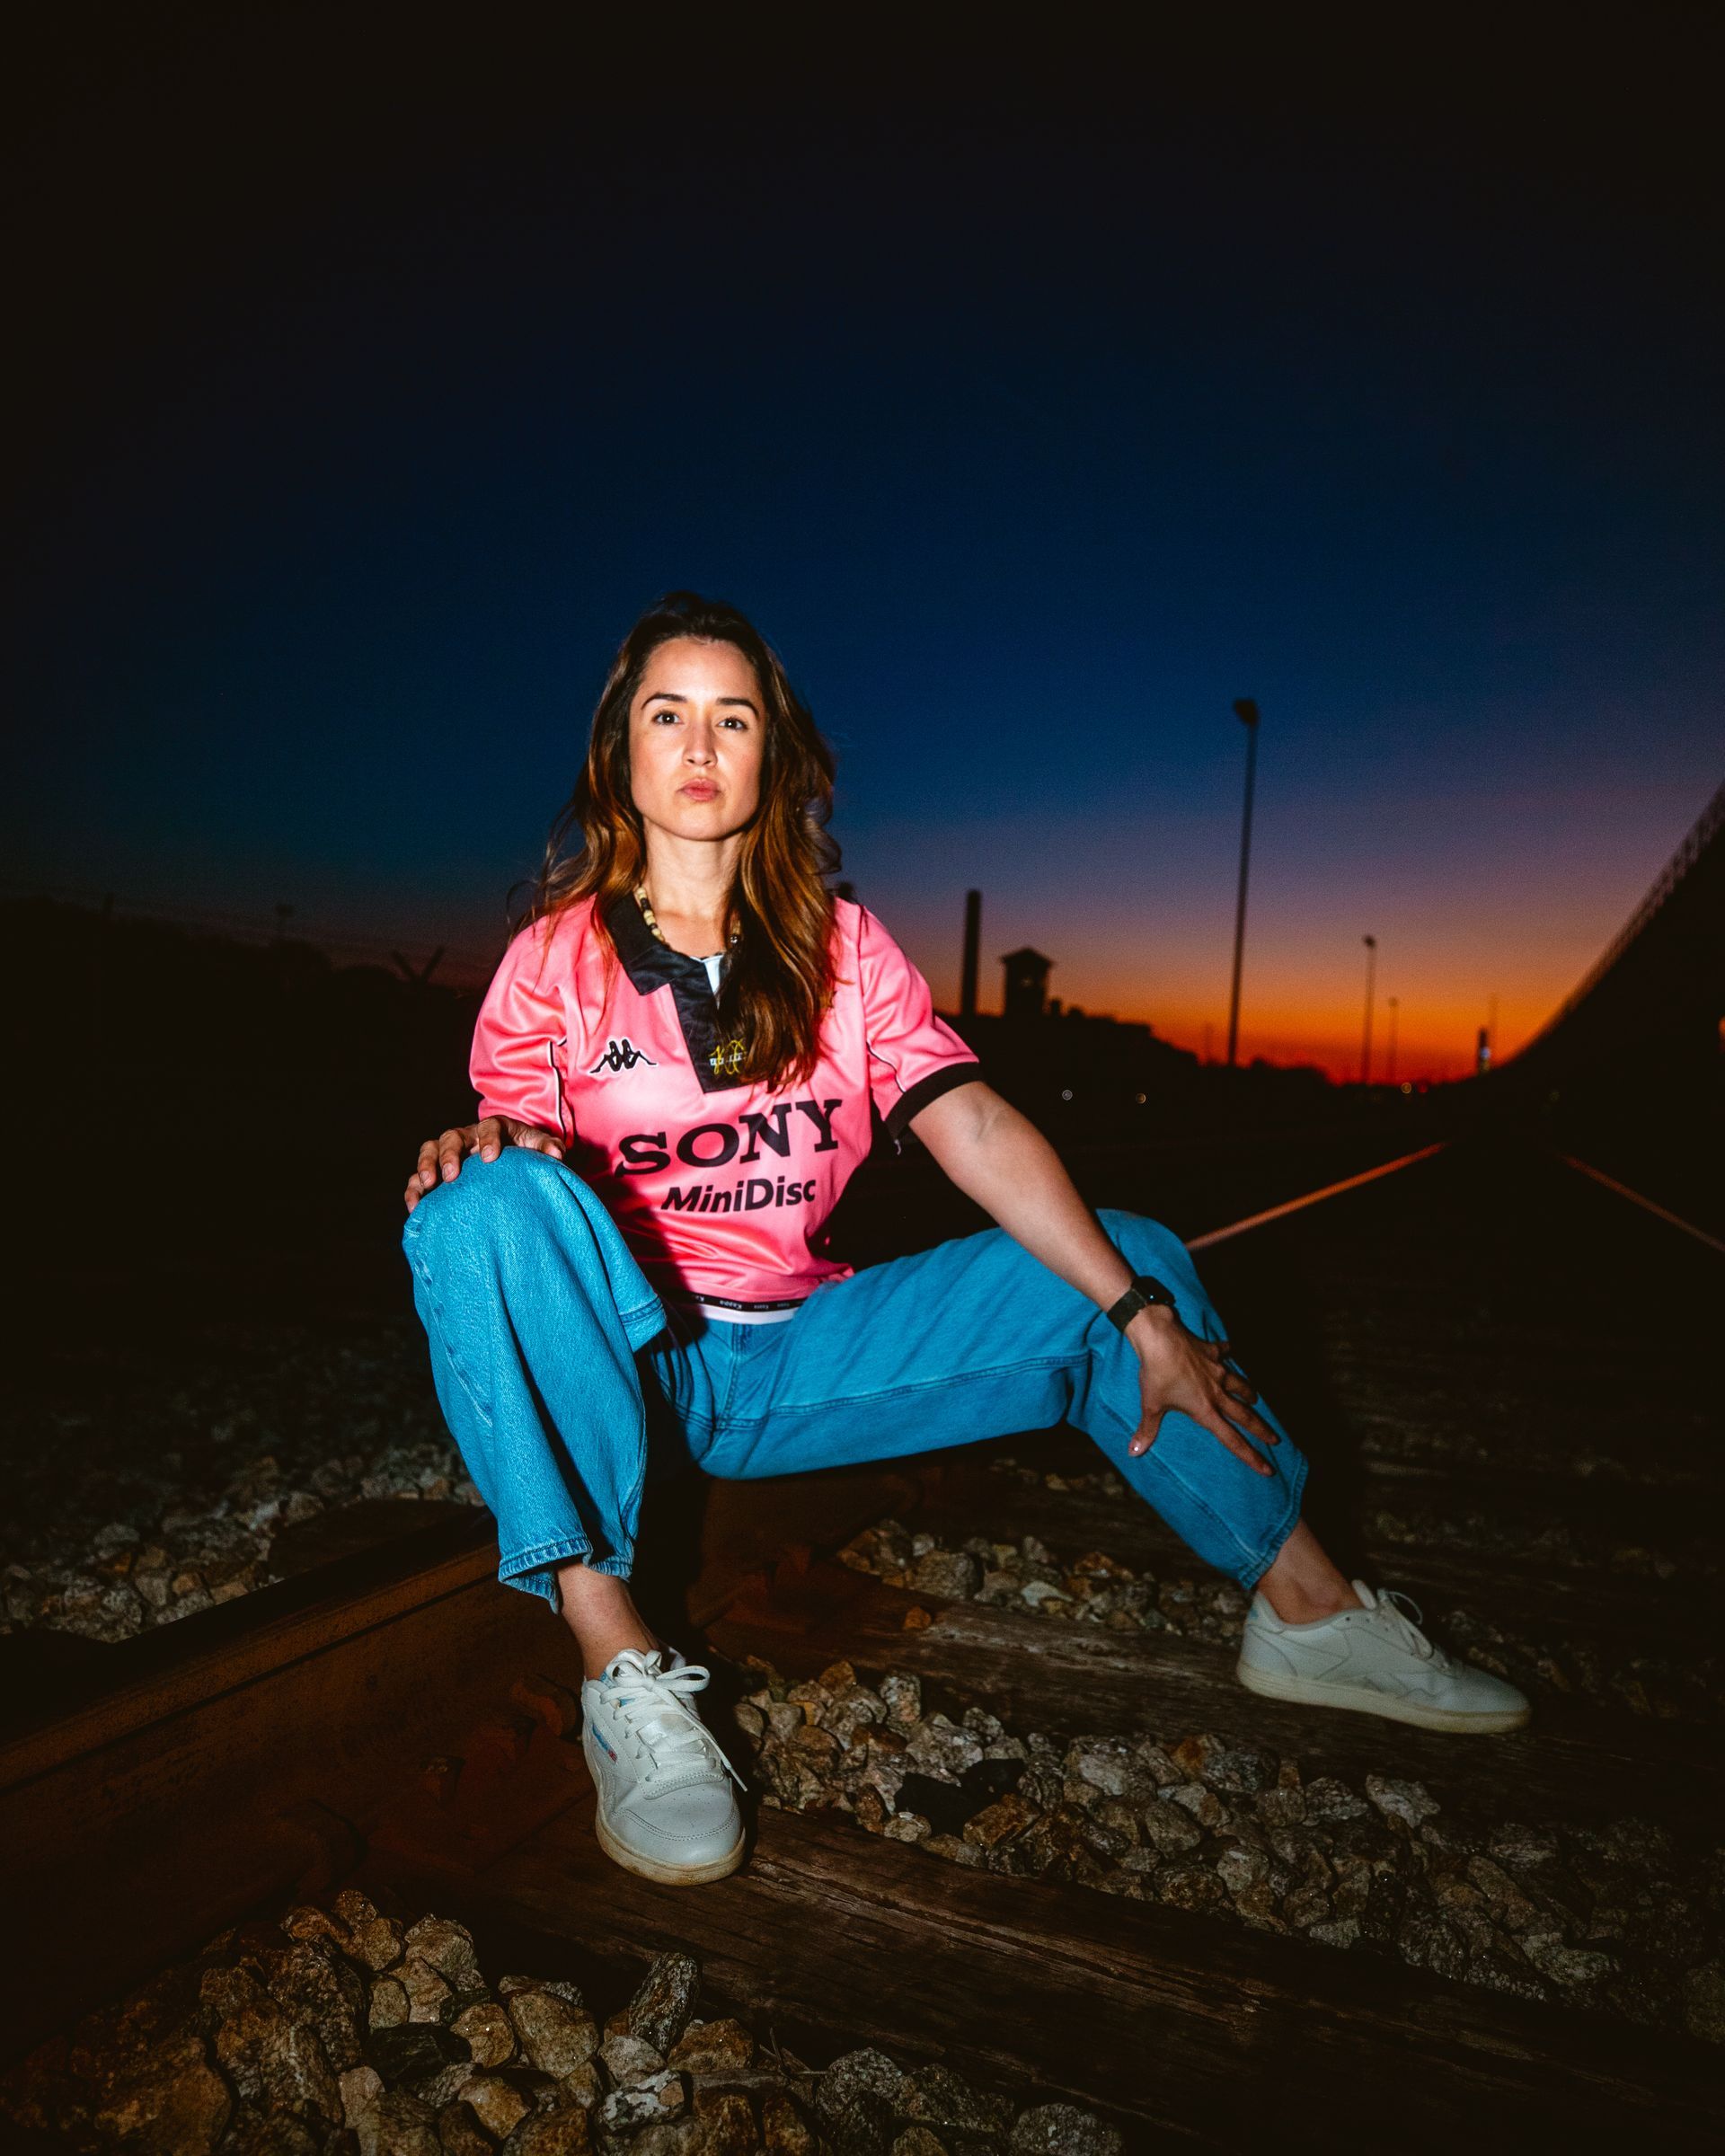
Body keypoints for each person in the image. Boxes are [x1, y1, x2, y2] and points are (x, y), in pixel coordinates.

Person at [401, 591, 1527, 1888]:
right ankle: (625, 1671)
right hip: (637, 1363)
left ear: (772, 756)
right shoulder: (552, 963)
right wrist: (487, 1158)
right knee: (477, 1205)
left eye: (734, 715)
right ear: (621, 754)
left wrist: (1143, 1315)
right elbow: (520, 1192)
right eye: (668, 715)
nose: (701, 744)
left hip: (801, 1348)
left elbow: (974, 1125)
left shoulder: (844, 950)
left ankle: (1309, 1610)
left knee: (1130, 1257)